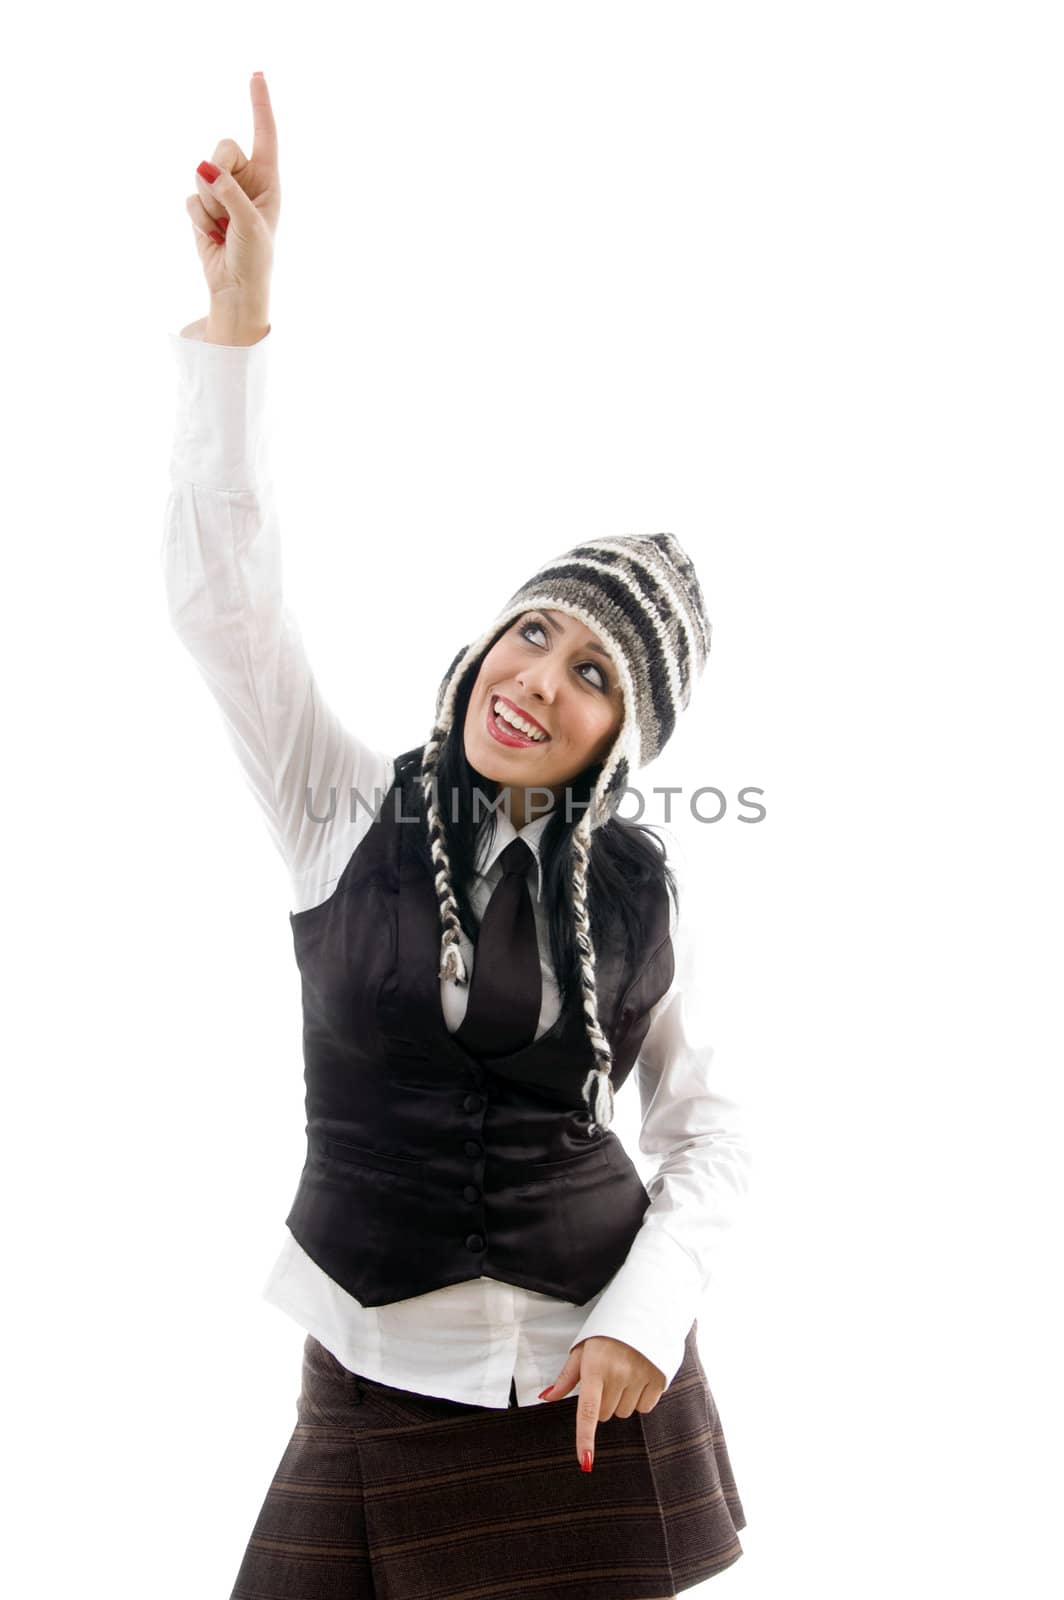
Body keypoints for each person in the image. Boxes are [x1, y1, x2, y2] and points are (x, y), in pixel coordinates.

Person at [166, 71, 752, 1600]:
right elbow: (227, 601)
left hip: (585, 1406)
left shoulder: (637, 892)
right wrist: (240, 325)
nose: (539, 680)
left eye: (596, 674)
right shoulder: (337, 801)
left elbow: (710, 1131)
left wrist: (650, 1314)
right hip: (366, 1383)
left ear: (628, 738)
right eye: (539, 632)